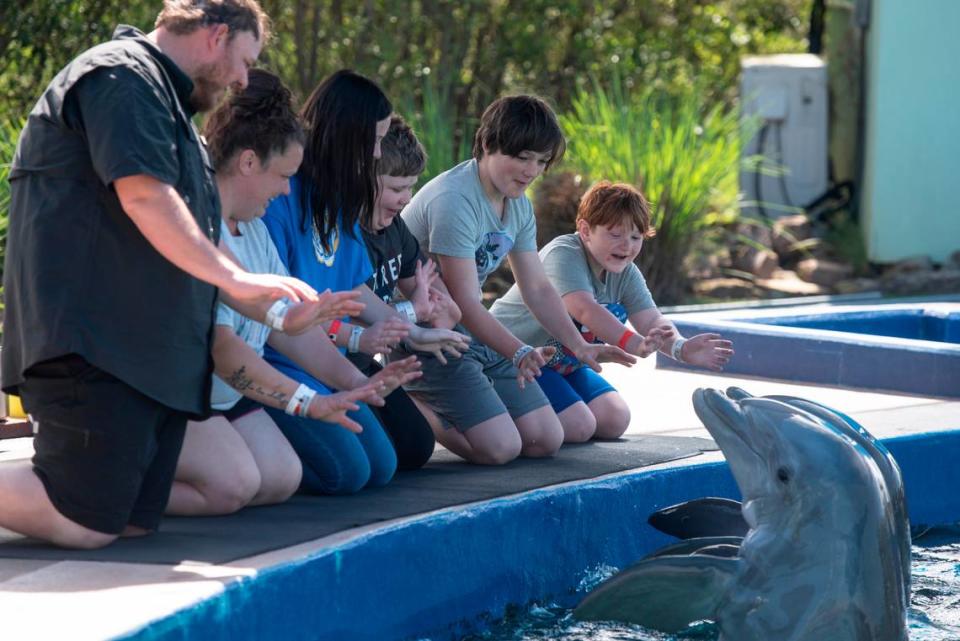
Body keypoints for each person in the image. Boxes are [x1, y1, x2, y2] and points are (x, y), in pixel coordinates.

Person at [0, 0, 322, 549]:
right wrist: (240, 283)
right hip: (94, 347)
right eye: (245, 61)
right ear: (215, 35)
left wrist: (272, 308)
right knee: (84, 521)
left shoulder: (171, 111)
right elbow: (145, 197)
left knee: (132, 520)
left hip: (149, 362)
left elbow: (198, 237)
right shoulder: (123, 77)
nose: (245, 80)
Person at [166, 69, 400, 515]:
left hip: (225, 398)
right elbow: (224, 348)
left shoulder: (253, 229)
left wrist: (355, 383)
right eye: (283, 176)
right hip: (180, 399)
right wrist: (307, 403)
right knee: (235, 485)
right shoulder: (202, 229)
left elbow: (284, 326)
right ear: (249, 162)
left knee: (280, 478)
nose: (288, 189)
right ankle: (109, 494)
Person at [262, 70, 469, 493]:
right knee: (349, 473)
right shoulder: (282, 194)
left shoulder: (335, 198)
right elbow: (281, 316)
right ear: (346, 136)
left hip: (320, 361)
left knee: (382, 465)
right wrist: (359, 348)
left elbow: (354, 287)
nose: (377, 152)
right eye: (374, 140)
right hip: (278, 362)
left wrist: (410, 331)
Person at [400, 95, 635, 465]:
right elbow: (463, 302)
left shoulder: (518, 204)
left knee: (546, 439)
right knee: (501, 449)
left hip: (471, 330)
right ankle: (409, 396)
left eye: (541, 161)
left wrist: (579, 346)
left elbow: (538, 288)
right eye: (523, 157)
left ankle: (470, 406)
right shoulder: (455, 200)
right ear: (488, 144)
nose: (532, 171)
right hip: (429, 336)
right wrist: (518, 350)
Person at [492, 181, 733, 441]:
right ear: (585, 230)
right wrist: (635, 344)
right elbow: (584, 309)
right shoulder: (564, 253)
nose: (627, 246)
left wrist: (680, 348)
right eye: (615, 235)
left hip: (563, 364)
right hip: (515, 357)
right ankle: (493, 402)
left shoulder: (626, 273)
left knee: (614, 419)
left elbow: (651, 319)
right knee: (578, 426)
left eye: (635, 237)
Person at [334, 114, 464, 470]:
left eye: (409, 188)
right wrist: (413, 314)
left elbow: (427, 286)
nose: (405, 199)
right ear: (362, 180)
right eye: (395, 189)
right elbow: (357, 300)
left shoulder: (394, 228)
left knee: (415, 448)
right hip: (331, 360)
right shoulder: (343, 232)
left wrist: (441, 308)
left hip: (366, 362)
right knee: (372, 464)